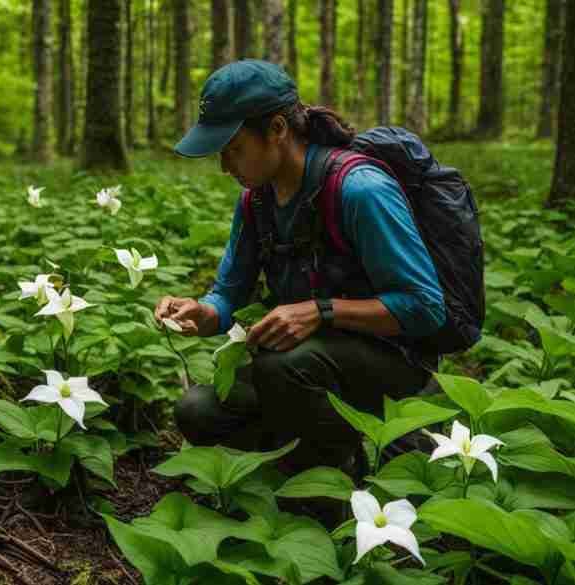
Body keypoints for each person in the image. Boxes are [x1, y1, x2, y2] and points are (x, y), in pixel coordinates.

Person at [153, 59, 446, 477]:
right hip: (307, 364)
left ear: (277, 129)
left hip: (392, 364)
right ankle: (301, 460)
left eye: (234, 149)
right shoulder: (257, 200)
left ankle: (339, 478)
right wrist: (202, 313)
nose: (225, 166)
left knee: (282, 365)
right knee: (197, 411)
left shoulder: (360, 190)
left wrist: (320, 311)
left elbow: (425, 308)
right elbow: (227, 293)